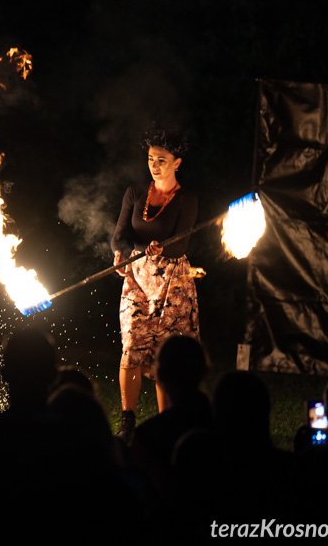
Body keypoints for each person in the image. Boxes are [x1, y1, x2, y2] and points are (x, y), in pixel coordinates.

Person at [110, 125, 199, 443]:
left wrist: (163, 247)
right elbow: (120, 232)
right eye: (151, 158)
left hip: (171, 282)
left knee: (166, 353)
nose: (155, 165)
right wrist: (119, 252)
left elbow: (181, 244)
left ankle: (168, 421)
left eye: (162, 159)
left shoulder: (186, 198)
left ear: (177, 162)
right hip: (136, 278)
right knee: (132, 344)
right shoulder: (135, 191)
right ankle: (128, 421)